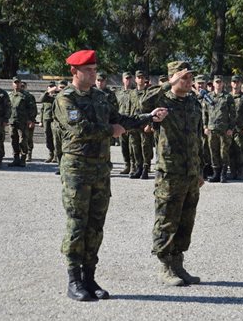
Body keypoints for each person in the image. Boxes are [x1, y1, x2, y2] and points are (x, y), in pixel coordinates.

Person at [54, 50, 167, 301]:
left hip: (100, 169)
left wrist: (149, 117)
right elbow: (79, 128)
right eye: (89, 70)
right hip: (77, 169)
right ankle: (73, 280)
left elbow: (121, 120)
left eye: (95, 70)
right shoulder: (66, 99)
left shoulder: (101, 97)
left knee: (95, 225)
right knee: (77, 223)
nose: (94, 74)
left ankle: (89, 277)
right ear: (75, 71)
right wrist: (111, 130)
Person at [141, 61, 204, 286]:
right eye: (184, 77)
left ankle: (178, 264)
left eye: (190, 78)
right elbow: (142, 102)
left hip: (190, 172)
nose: (189, 81)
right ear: (173, 78)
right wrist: (168, 84)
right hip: (170, 172)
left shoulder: (193, 103)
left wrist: (200, 170)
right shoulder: (162, 100)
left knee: (186, 220)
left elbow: (199, 138)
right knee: (167, 218)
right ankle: (164, 266)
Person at [203, 75, 235, 183]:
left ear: (223, 84)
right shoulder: (208, 96)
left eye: (220, 82)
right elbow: (205, 113)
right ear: (213, 83)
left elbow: (233, 114)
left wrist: (231, 127)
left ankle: (223, 173)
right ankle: (216, 173)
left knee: (223, 152)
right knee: (213, 151)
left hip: (224, 129)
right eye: (216, 82)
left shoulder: (227, 97)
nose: (218, 84)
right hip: (211, 129)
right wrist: (205, 126)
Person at [129, 70, 154, 179]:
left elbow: (153, 110)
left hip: (145, 124)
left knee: (145, 146)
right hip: (134, 123)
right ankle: (138, 167)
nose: (140, 79)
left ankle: (145, 168)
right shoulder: (131, 93)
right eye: (138, 77)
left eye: (142, 77)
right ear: (135, 79)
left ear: (145, 80)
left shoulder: (148, 93)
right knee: (135, 146)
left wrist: (150, 125)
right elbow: (129, 109)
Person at [8, 77, 34, 167]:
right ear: (12, 84)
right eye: (15, 82)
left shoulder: (26, 95)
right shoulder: (10, 95)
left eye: (18, 82)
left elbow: (32, 108)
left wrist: (31, 120)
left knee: (23, 140)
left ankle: (23, 158)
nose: (16, 84)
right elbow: (7, 108)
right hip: (12, 121)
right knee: (13, 140)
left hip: (23, 121)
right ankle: (16, 158)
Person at [228, 74, 243, 180]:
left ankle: (240, 172)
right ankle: (232, 171)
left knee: (240, 150)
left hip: (241, 128)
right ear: (231, 83)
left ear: (241, 84)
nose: (236, 84)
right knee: (230, 150)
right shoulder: (227, 97)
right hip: (229, 129)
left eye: (238, 82)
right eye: (234, 82)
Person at [116, 72, 134, 174]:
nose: (128, 80)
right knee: (124, 145)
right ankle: (127, 164)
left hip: (131, 121)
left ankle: (134, 166)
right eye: (126, 78)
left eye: (129, 78)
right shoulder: (118, 93)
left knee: (133, 146)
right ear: (122, 80)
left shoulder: (134, 92)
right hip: (121, 122)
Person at [40, 81, 58, 163]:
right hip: (46, 119)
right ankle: (50, 153)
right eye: (50, 86)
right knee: (48, 138)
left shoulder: (57, 96)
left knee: (55, 138)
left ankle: (55, 155)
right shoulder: (46, 96)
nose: (51, 88)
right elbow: (42, 108)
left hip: (55, 120)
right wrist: (41, 121)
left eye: (53, 86)